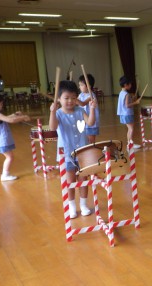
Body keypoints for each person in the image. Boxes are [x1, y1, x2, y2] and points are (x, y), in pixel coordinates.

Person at [49, 80, 97, 218]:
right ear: (58, 99)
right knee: (70, 181)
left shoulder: (80, 110)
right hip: (66, 153)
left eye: (73, 98)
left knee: (83, 179)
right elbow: (52, 127)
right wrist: (52, 112)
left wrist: (92, 108)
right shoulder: (58, 113)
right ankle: (71, 206)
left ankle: (83, 205)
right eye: (66, 98)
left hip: (82, 152)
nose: (70, 101)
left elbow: (90, 122)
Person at [0, 92, 30, 181]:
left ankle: (5, 174)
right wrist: (23, 117)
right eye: (1, 104)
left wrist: (15, 114)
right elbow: (10, 120)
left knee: (9, 156)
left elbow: (6, 118)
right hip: (1, 140)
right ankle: (5, 175)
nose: (2, 106)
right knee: (9, 157)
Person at [117, 76, 142, 151]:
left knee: (129, 129)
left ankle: (129, 143)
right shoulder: (127, 94)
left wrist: (133, 98)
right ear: (125, 85)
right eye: (130, 84)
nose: (131, 85)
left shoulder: (121, 93)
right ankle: (130, 144)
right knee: (131, 129)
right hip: (127, 113)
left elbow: (126, 102)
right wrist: (136, 102)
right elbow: (127, 105)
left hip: (123, 114)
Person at [77, 74, 99, 143]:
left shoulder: (91, 96)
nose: (79, 87)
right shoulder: (81, 95)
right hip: (83, 121)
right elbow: (75, 104)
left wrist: (73, 99)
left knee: (91, 141)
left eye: (81, 85)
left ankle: (92, 152)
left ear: (88, 86)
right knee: (85, 140)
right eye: (79, 85)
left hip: (92, 122)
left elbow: (82, 103)